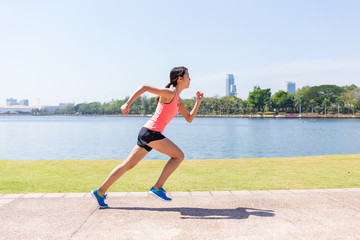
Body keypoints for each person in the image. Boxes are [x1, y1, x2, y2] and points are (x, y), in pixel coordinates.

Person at [91, 66, 204, 208]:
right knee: (179, 156)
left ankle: (99, 192)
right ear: (179, 79)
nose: (190, 79)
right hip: (151, 132)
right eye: (188, 76)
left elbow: (189, 118)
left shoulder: (178, 100)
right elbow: (144, 87)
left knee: (128, 165)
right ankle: (157, 188)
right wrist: (127, 103)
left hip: (148, 133)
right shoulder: (169, 93)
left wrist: (197, 102)